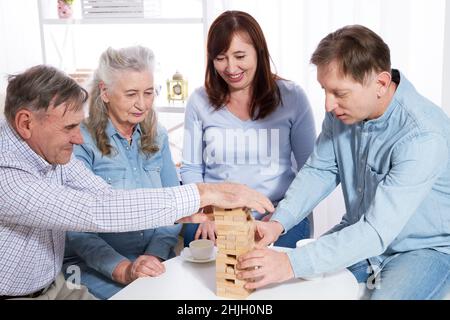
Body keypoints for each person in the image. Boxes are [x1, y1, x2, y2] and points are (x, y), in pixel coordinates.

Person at [0, 64, 274, 300]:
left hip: (54, 286)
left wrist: (186, 211)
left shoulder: (49, 152)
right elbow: (96, 211)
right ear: (25, 123)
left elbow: (106, 197)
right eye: (69, 128)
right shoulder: (7, 178)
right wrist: (208, 192)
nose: (78, 138)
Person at [237, 25, 450, 300]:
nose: (328, 104)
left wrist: (290, 264)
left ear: (381, 84)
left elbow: (375, 231)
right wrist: (277, 223)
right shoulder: (342, 113)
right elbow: (320, 169)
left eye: (339, 93)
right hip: (358, 233)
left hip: (422, 250)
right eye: (324, 90)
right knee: (290, 292)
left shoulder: (423, 136)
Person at [181, 11, 316, 248]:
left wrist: (280, 217)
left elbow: (311, 170)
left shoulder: (292, 97)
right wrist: (209, 210)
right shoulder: (199, 101)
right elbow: (192, 168)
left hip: (276, 211)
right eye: (221, 58)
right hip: (215, 214)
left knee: (270, 272)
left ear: (259, 52)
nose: (231, 67)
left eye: (240, 55)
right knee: (217, 275)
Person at [62, 46, 183, 299]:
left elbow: (175, 206)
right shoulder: (80, 141)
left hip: (156, 262)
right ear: (105, 92)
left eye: (148, 93)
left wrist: (153, 255)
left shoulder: (157, 135)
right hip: (100, 268)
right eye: (131, 94)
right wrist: (126, 270)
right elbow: (77, 230)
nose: (142, 104)